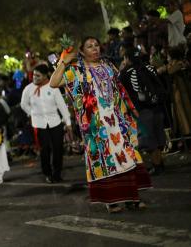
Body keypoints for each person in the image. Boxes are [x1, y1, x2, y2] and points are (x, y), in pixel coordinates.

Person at [50, 36, 152, 213]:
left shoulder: (108, 66)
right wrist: (64, 62)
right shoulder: (76, 70)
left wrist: (125, 114)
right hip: (95, 125)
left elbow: (119, 91)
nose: (95, 49)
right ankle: (111, 201)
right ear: (81, 51)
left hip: (116, 120)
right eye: (89, 46)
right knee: (105, 160)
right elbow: (53, 83)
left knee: (126, 157)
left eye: (96, 45)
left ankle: (132, 198)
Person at [119, 44, 168, 175]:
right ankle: (160, 164)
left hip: (142, 111)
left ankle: (157, 166)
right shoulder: (150, 67)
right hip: (157, 107)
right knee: (158, 136)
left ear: (127, 58)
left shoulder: (125, 73)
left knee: (149, 139)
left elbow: (121, 92)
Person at [21, 64, 72, 183]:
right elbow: (23, 104)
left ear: (45, 76)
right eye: (34, 75)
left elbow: (62, 106)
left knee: (58, 148)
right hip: (39, 124)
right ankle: (47, 173)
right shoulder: (28, 89)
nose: (35, 77)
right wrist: (32, 113)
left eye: (38, 75)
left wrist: (68, 122)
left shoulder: (52, 87)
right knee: (45, 150)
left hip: (55, 122)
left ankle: (57, 173)